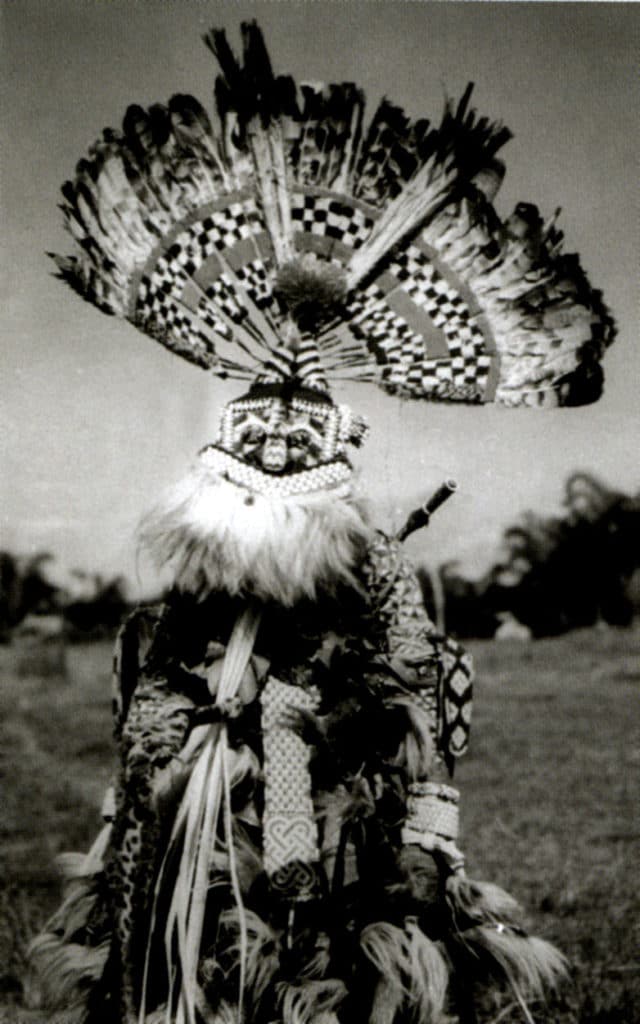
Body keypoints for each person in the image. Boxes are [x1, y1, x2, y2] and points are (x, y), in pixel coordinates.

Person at [29, 21, 614, 1023]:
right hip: (209, 812)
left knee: (325, 940)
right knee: (203, 934)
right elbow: (159, 658)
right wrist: (177, 728)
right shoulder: (204, 561)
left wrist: (329, 718)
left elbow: (415, 680)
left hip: (331, 804)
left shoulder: (363, 557)